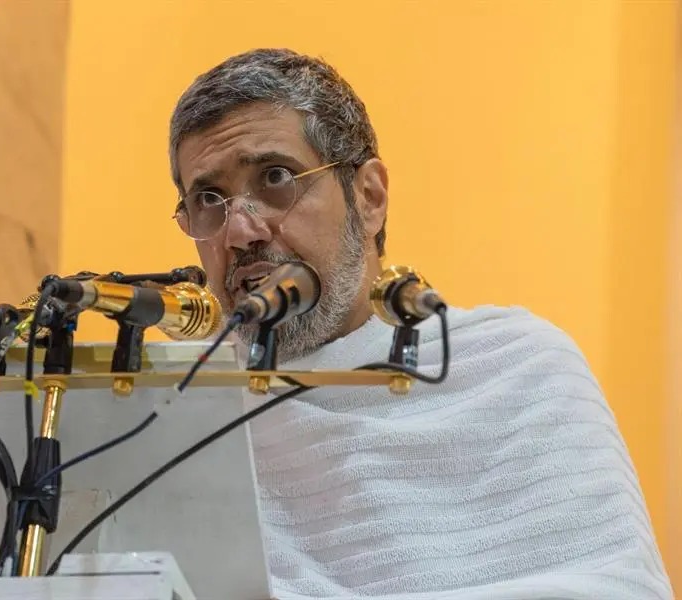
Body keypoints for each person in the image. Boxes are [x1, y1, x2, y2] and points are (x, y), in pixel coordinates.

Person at [168, 49, 672, 599]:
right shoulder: (177, 408)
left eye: (276, 178)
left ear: (369, 197)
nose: (240, 231)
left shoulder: (517, 368)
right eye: (208, 199)